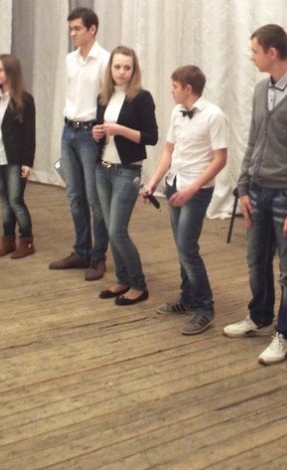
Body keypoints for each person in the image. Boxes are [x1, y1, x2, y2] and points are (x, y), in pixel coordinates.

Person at [222, 24, 287, 364]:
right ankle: (259, 315)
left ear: (272, 52)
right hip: (258, 190)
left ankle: (286, 333)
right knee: (256, 260)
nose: (251, 57)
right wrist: (243, 186)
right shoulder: (261, 89)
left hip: (284, 195)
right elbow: (253, 140)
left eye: (255, 51)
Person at [144, 65, 228, 335]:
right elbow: (169, 150)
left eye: (174, 86)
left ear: (188, 88)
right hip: (175, 184)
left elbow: (220, 159)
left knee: (187, 247)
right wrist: (154, 181)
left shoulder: (214, 115)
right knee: (181, 246)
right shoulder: (176, 112)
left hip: (197, 190)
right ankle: (188, 297)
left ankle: (206, 308)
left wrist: (193, 188)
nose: (171, 91)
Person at [92, 46, 158, 305]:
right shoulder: (104, 96)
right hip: (103, 168)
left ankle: (139, 285)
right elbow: (101, 131)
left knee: (118, 230)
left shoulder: (142, 98)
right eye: (117, 66)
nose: (121, 72)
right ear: (110, 68)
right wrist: (96, 133)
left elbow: (151, 137)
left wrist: (120, 129)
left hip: (127, 171)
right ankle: (122, 279)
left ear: (134, 70)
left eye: (127, 67)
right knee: (111, 230)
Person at [49, 7, 110, 280]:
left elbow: (109, 98)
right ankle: (81, 251)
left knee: (94, 198)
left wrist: (102, 132)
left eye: (77, 28)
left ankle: (98, 256)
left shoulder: (105, 60)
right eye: (70, 29)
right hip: (69, 130)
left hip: (89, 133)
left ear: (92, 29)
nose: (72, 33)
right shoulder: (70, 59)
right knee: (74, 195)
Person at [0, 54, 36, 259]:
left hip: (15, 159)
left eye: (0, 70)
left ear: (11, 72)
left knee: (15, 200)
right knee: (4, 201)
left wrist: (27, 162)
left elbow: (30, 134)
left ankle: (27, 240)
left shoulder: (25, 100)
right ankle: (8, 239)